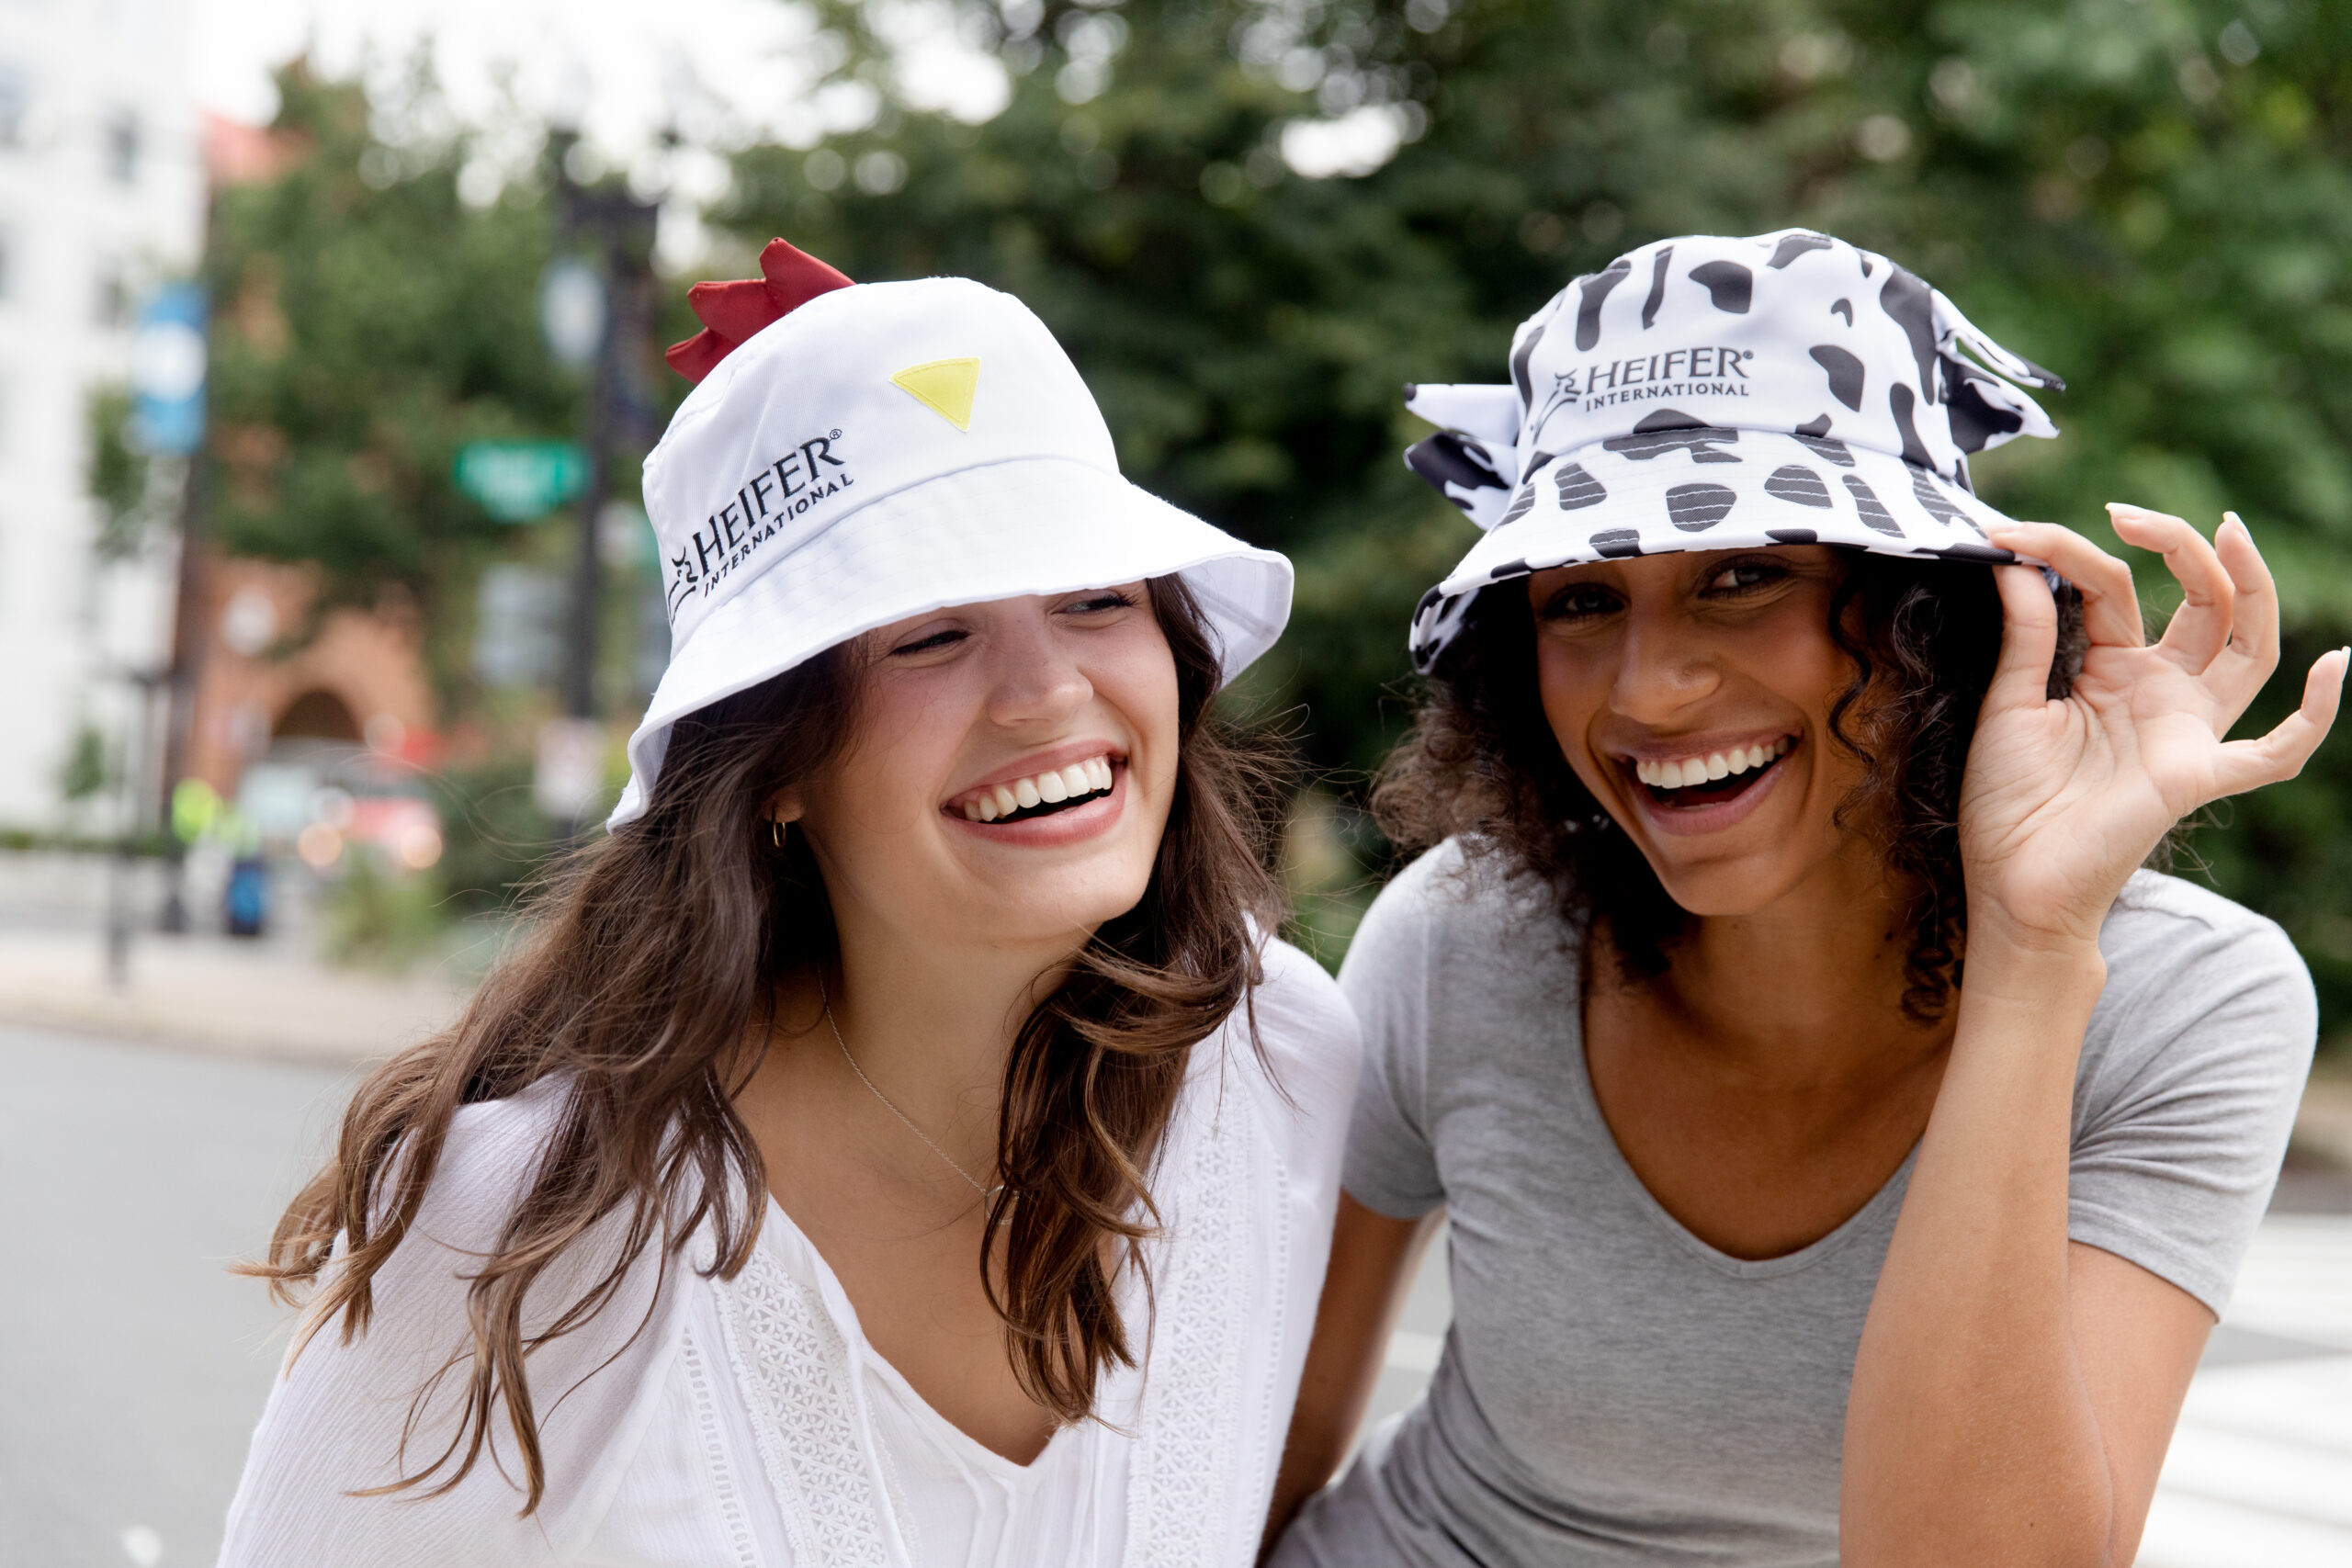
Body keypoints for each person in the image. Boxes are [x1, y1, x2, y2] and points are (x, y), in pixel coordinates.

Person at [219, 241, 1359, 1567]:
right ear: (775, 764)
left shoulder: (1279, 1058)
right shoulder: (521, 1224)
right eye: (931, 635)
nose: (1048, 691)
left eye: (1098, 597)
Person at [1263, 230, 2342, 1567]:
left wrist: (2034, 953)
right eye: (1583, 600)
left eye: (1743, 576)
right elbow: (1251, 1452)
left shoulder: (2187, 1001)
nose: (1648, 690)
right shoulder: (1460, 939)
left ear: (1931, 619)